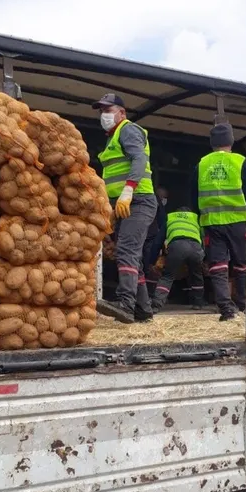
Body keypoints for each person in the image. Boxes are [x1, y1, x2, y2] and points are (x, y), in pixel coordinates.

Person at [93, 93, 157, 324]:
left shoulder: (128, 130)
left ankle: (125, 305)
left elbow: (139, 159)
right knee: (133, 258)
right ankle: (143, 310)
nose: (104, 115)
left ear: (122, 112)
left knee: (126, 252)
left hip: (138, 200)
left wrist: (129, 190)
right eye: (101, 111)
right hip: (124, 204)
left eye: (108, 110)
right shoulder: (112, 138)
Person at [191, 123, 246, 320]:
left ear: (212, 143)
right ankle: (243, 306)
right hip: (238, 221)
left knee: (217, 266)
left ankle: (226, 309)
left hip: (211, 222)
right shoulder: (241, 162)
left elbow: (193, 197)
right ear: (231, 141)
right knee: (242, 264)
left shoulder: (201, 164)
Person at [152, 206, 205, 313]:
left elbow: (158, 241)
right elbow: (203, 238)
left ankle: (156, 305)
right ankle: (198, 304)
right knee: (197, 275)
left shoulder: (171, 218)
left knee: (168, 276)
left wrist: (152, 260)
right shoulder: (195, 219)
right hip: (196, 247)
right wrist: (204, 255)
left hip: (177, 246)